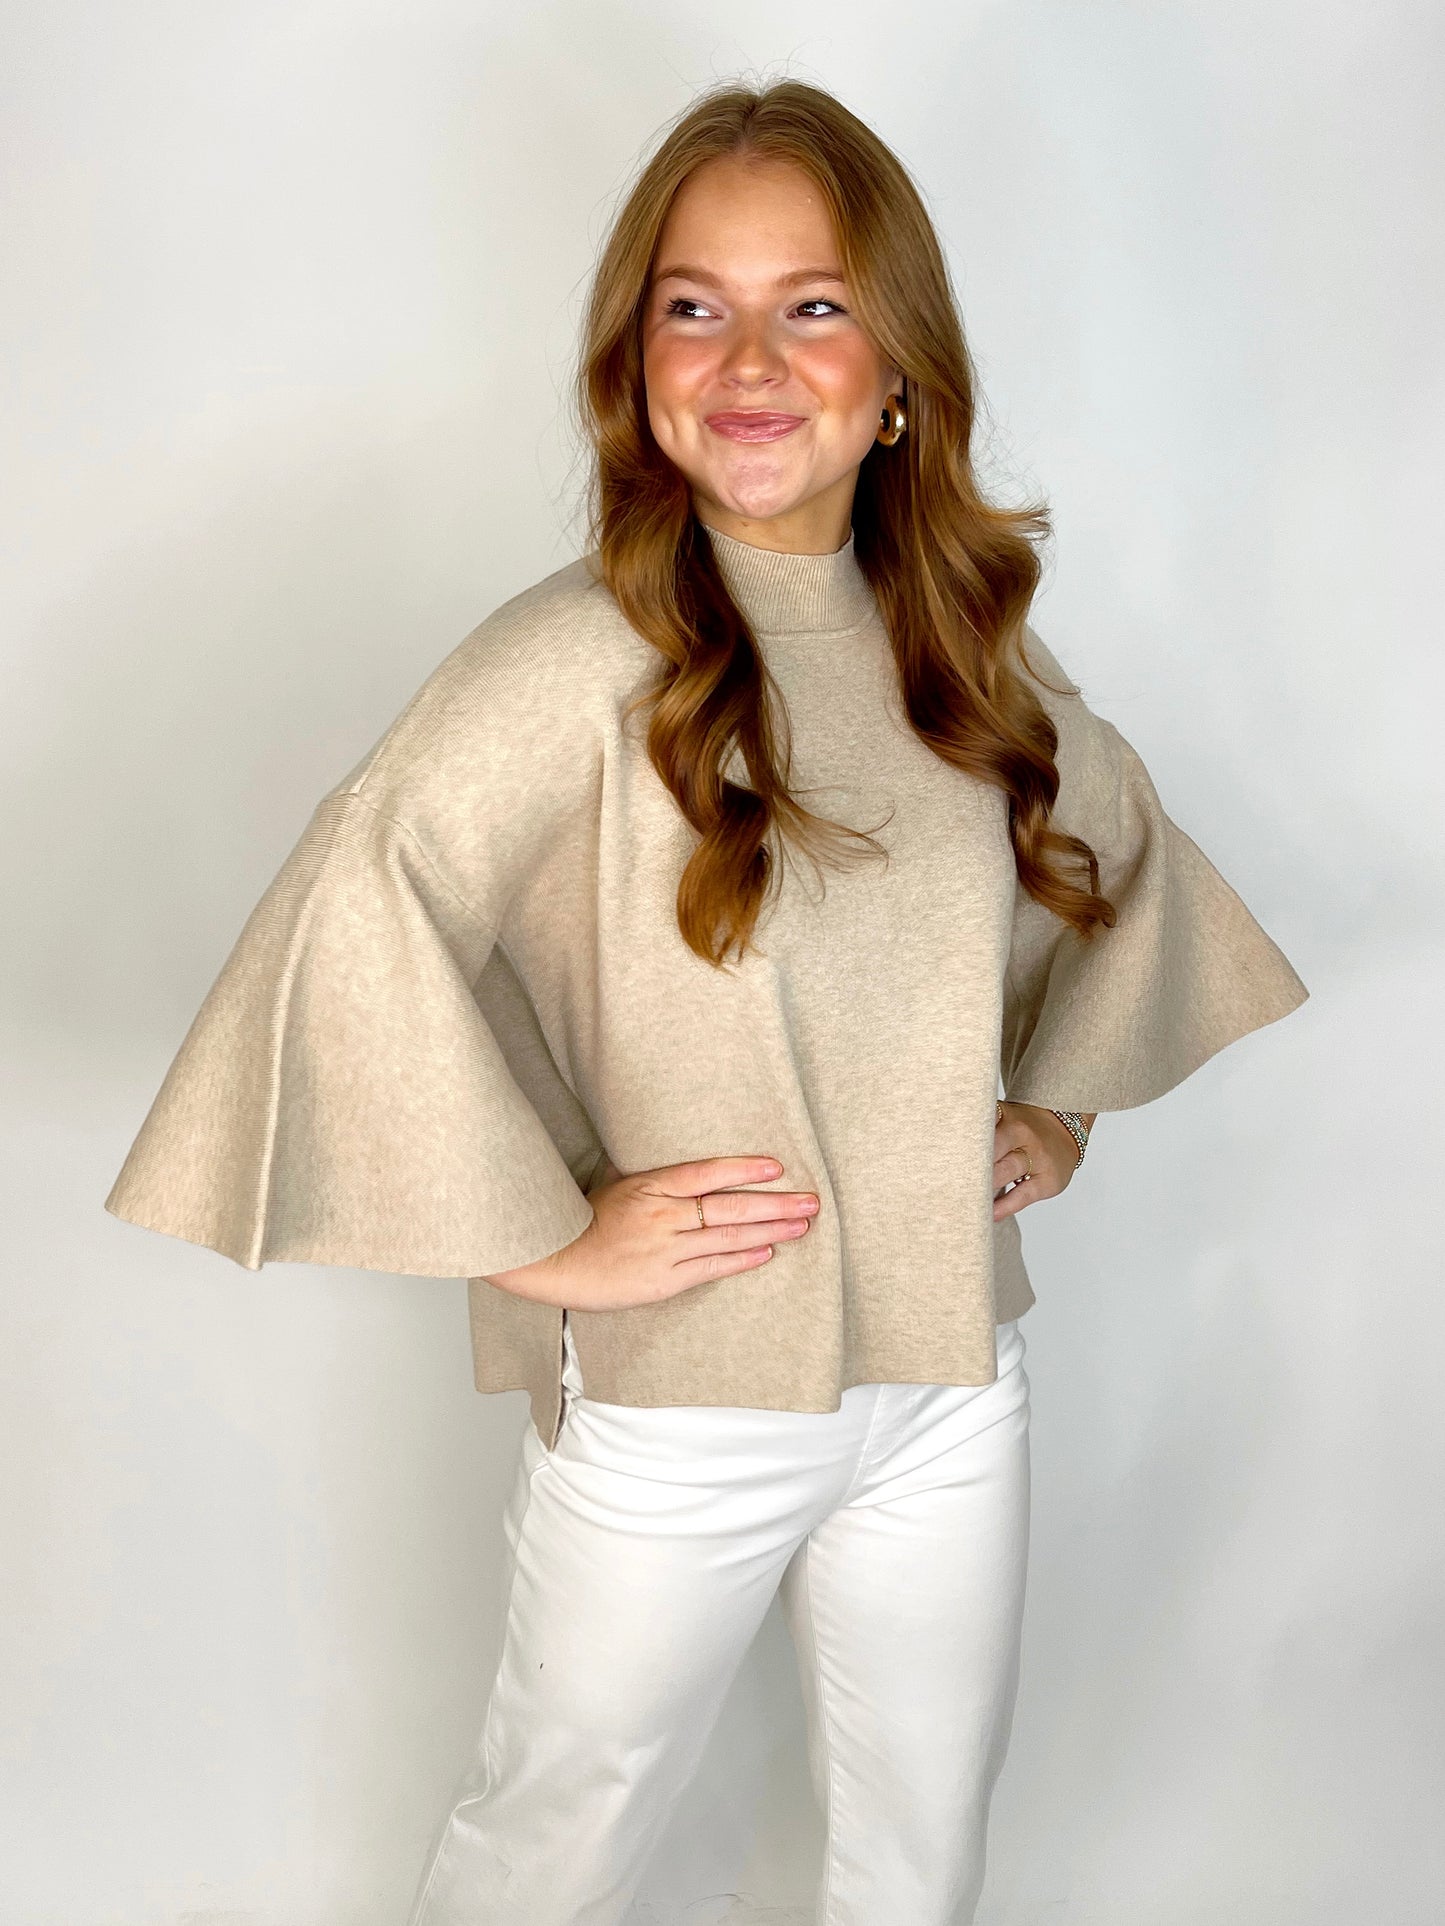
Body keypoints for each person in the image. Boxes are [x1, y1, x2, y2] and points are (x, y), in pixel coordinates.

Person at [103, 78, 1308, 1926]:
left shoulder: (960, 643)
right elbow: (365, 898)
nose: (749, 358)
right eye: (694, 305)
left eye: (812, 303)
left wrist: (1052, 1104)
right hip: (683, 1405)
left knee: (919, 1858)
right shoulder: (571, 656)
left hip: (950, 1380)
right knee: (550, 1848)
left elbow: (1105, 853)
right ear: (636, 361)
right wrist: (542, 1238)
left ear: (895, 370)